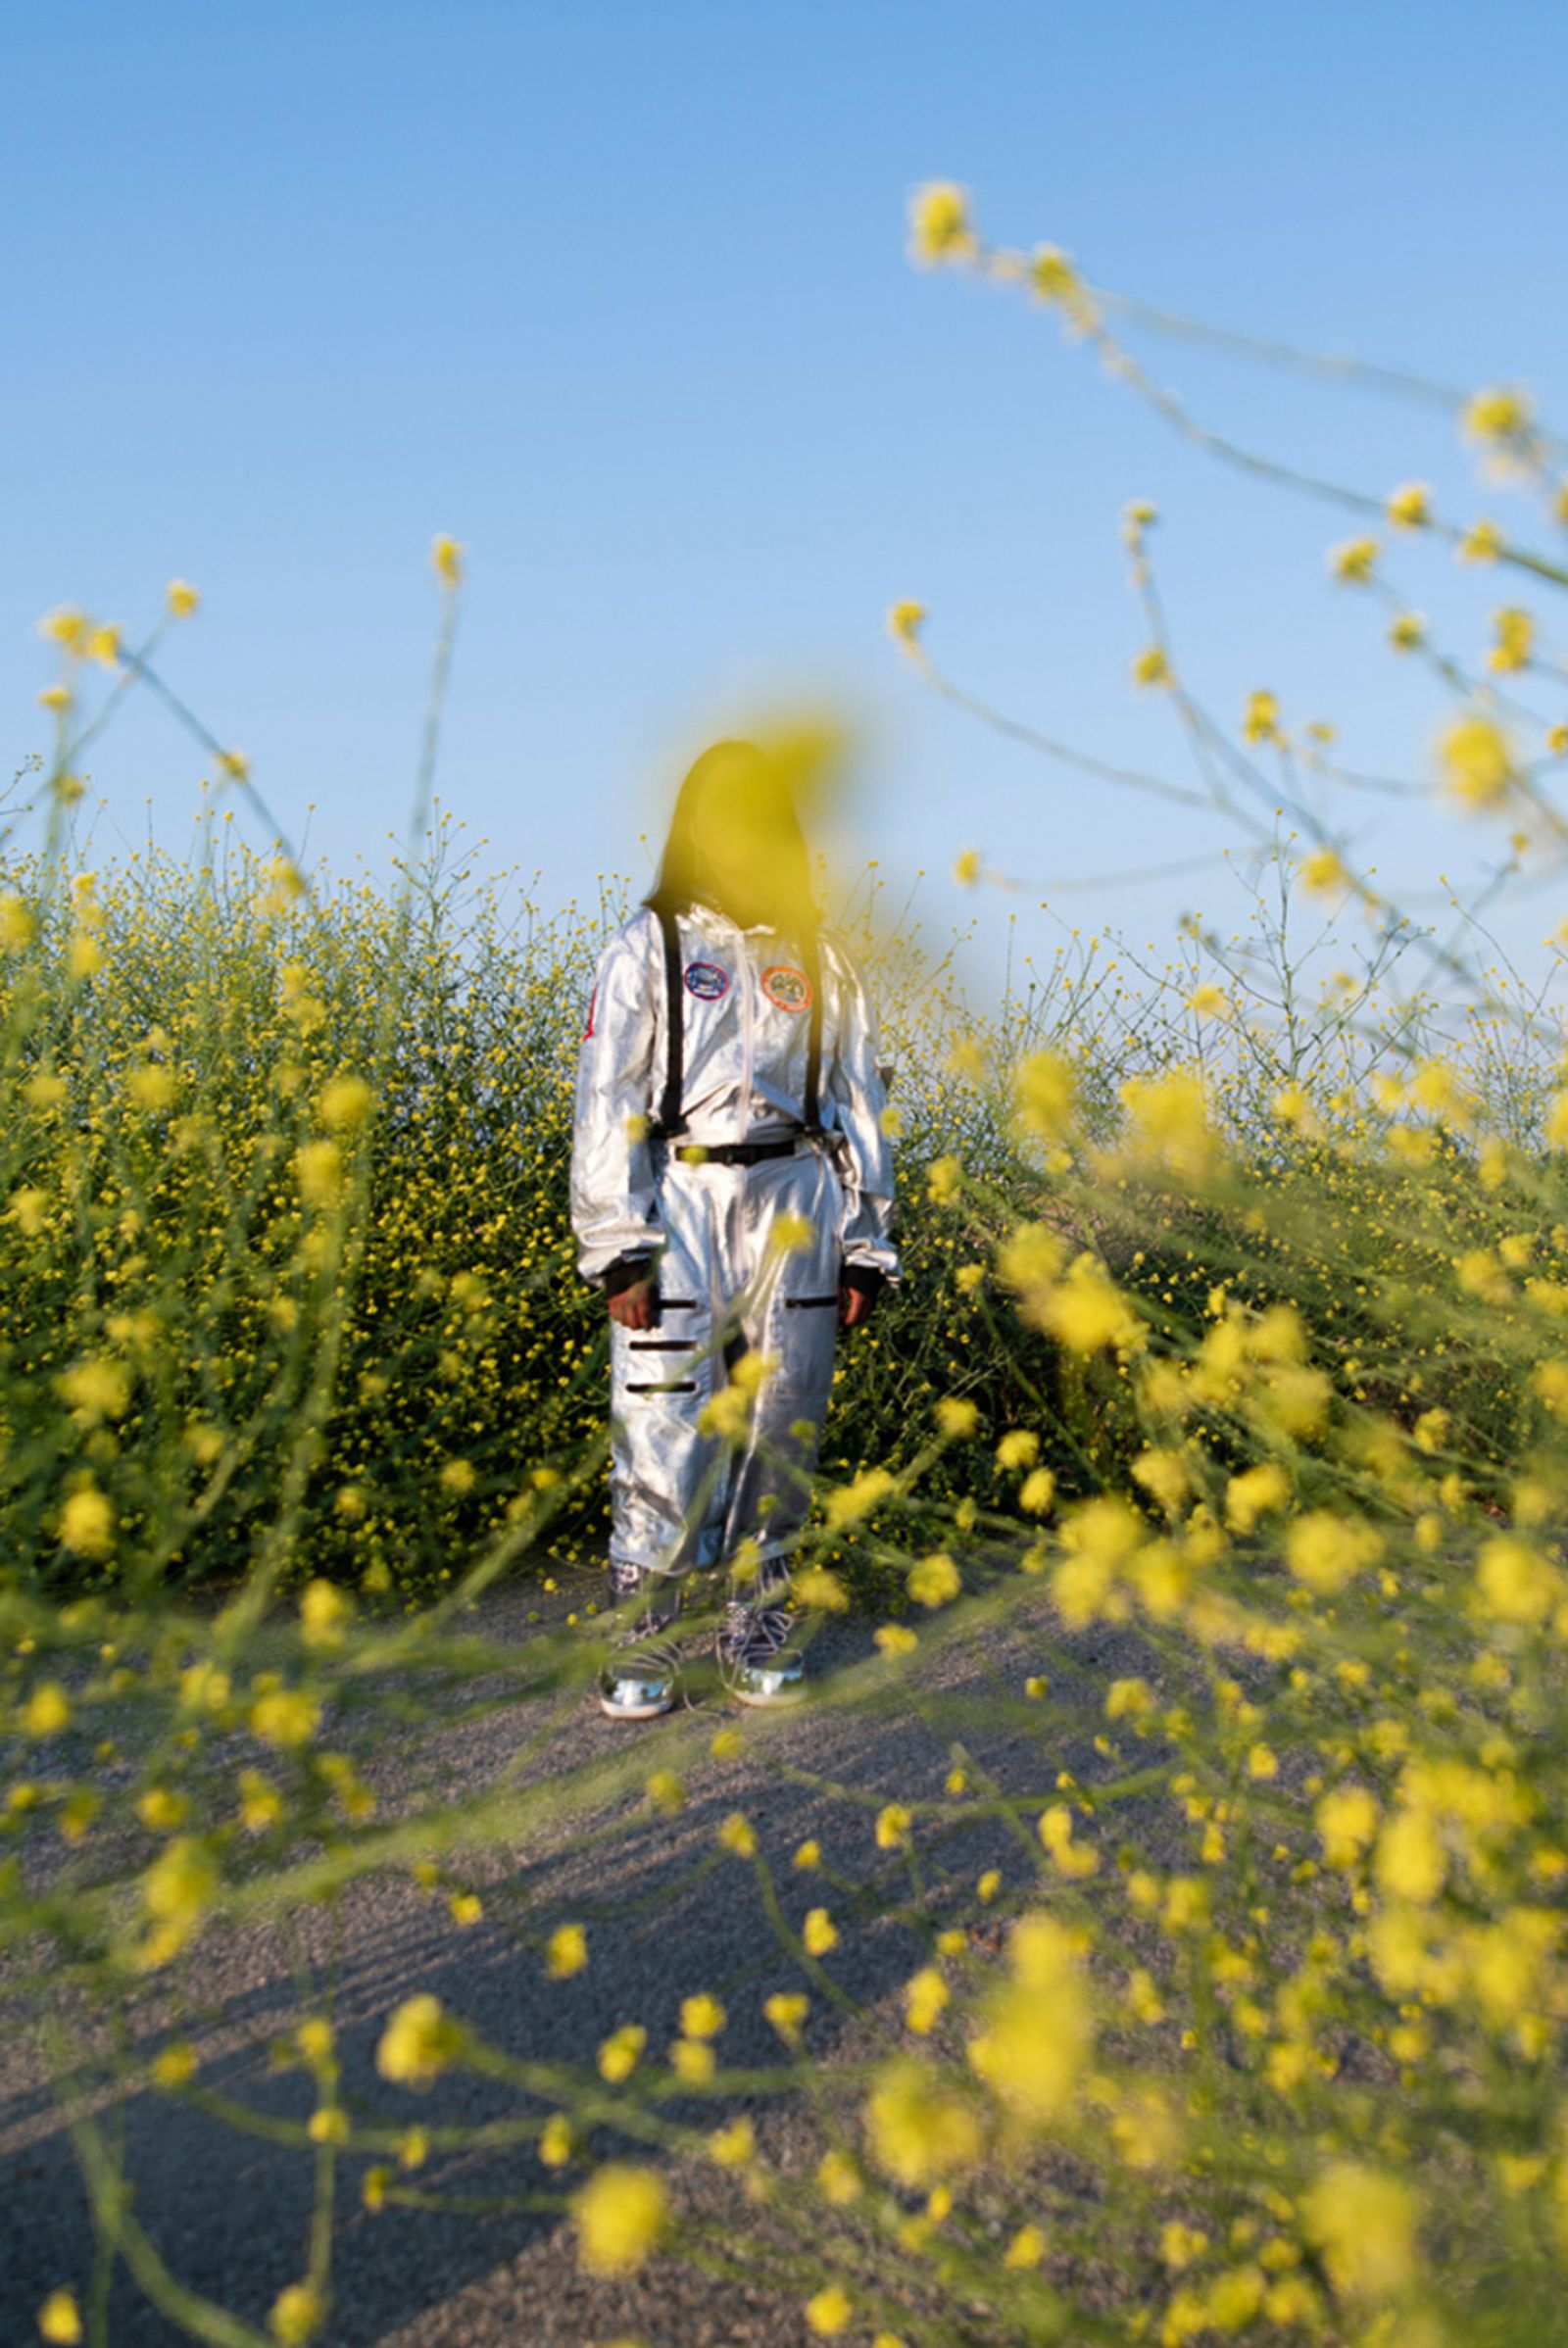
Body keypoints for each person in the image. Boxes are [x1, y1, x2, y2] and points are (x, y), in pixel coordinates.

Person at [569, 739, 900, 1718]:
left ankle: (756, 1615)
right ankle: (650, 1625)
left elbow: (859, 1102)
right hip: (681, 1197)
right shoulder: (648, 945)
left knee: (781, 1412)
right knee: (664, 1409)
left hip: (795, 1198)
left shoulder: (821, 957)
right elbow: (607, 1097)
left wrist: (866, 1243)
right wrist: (617, 1242)